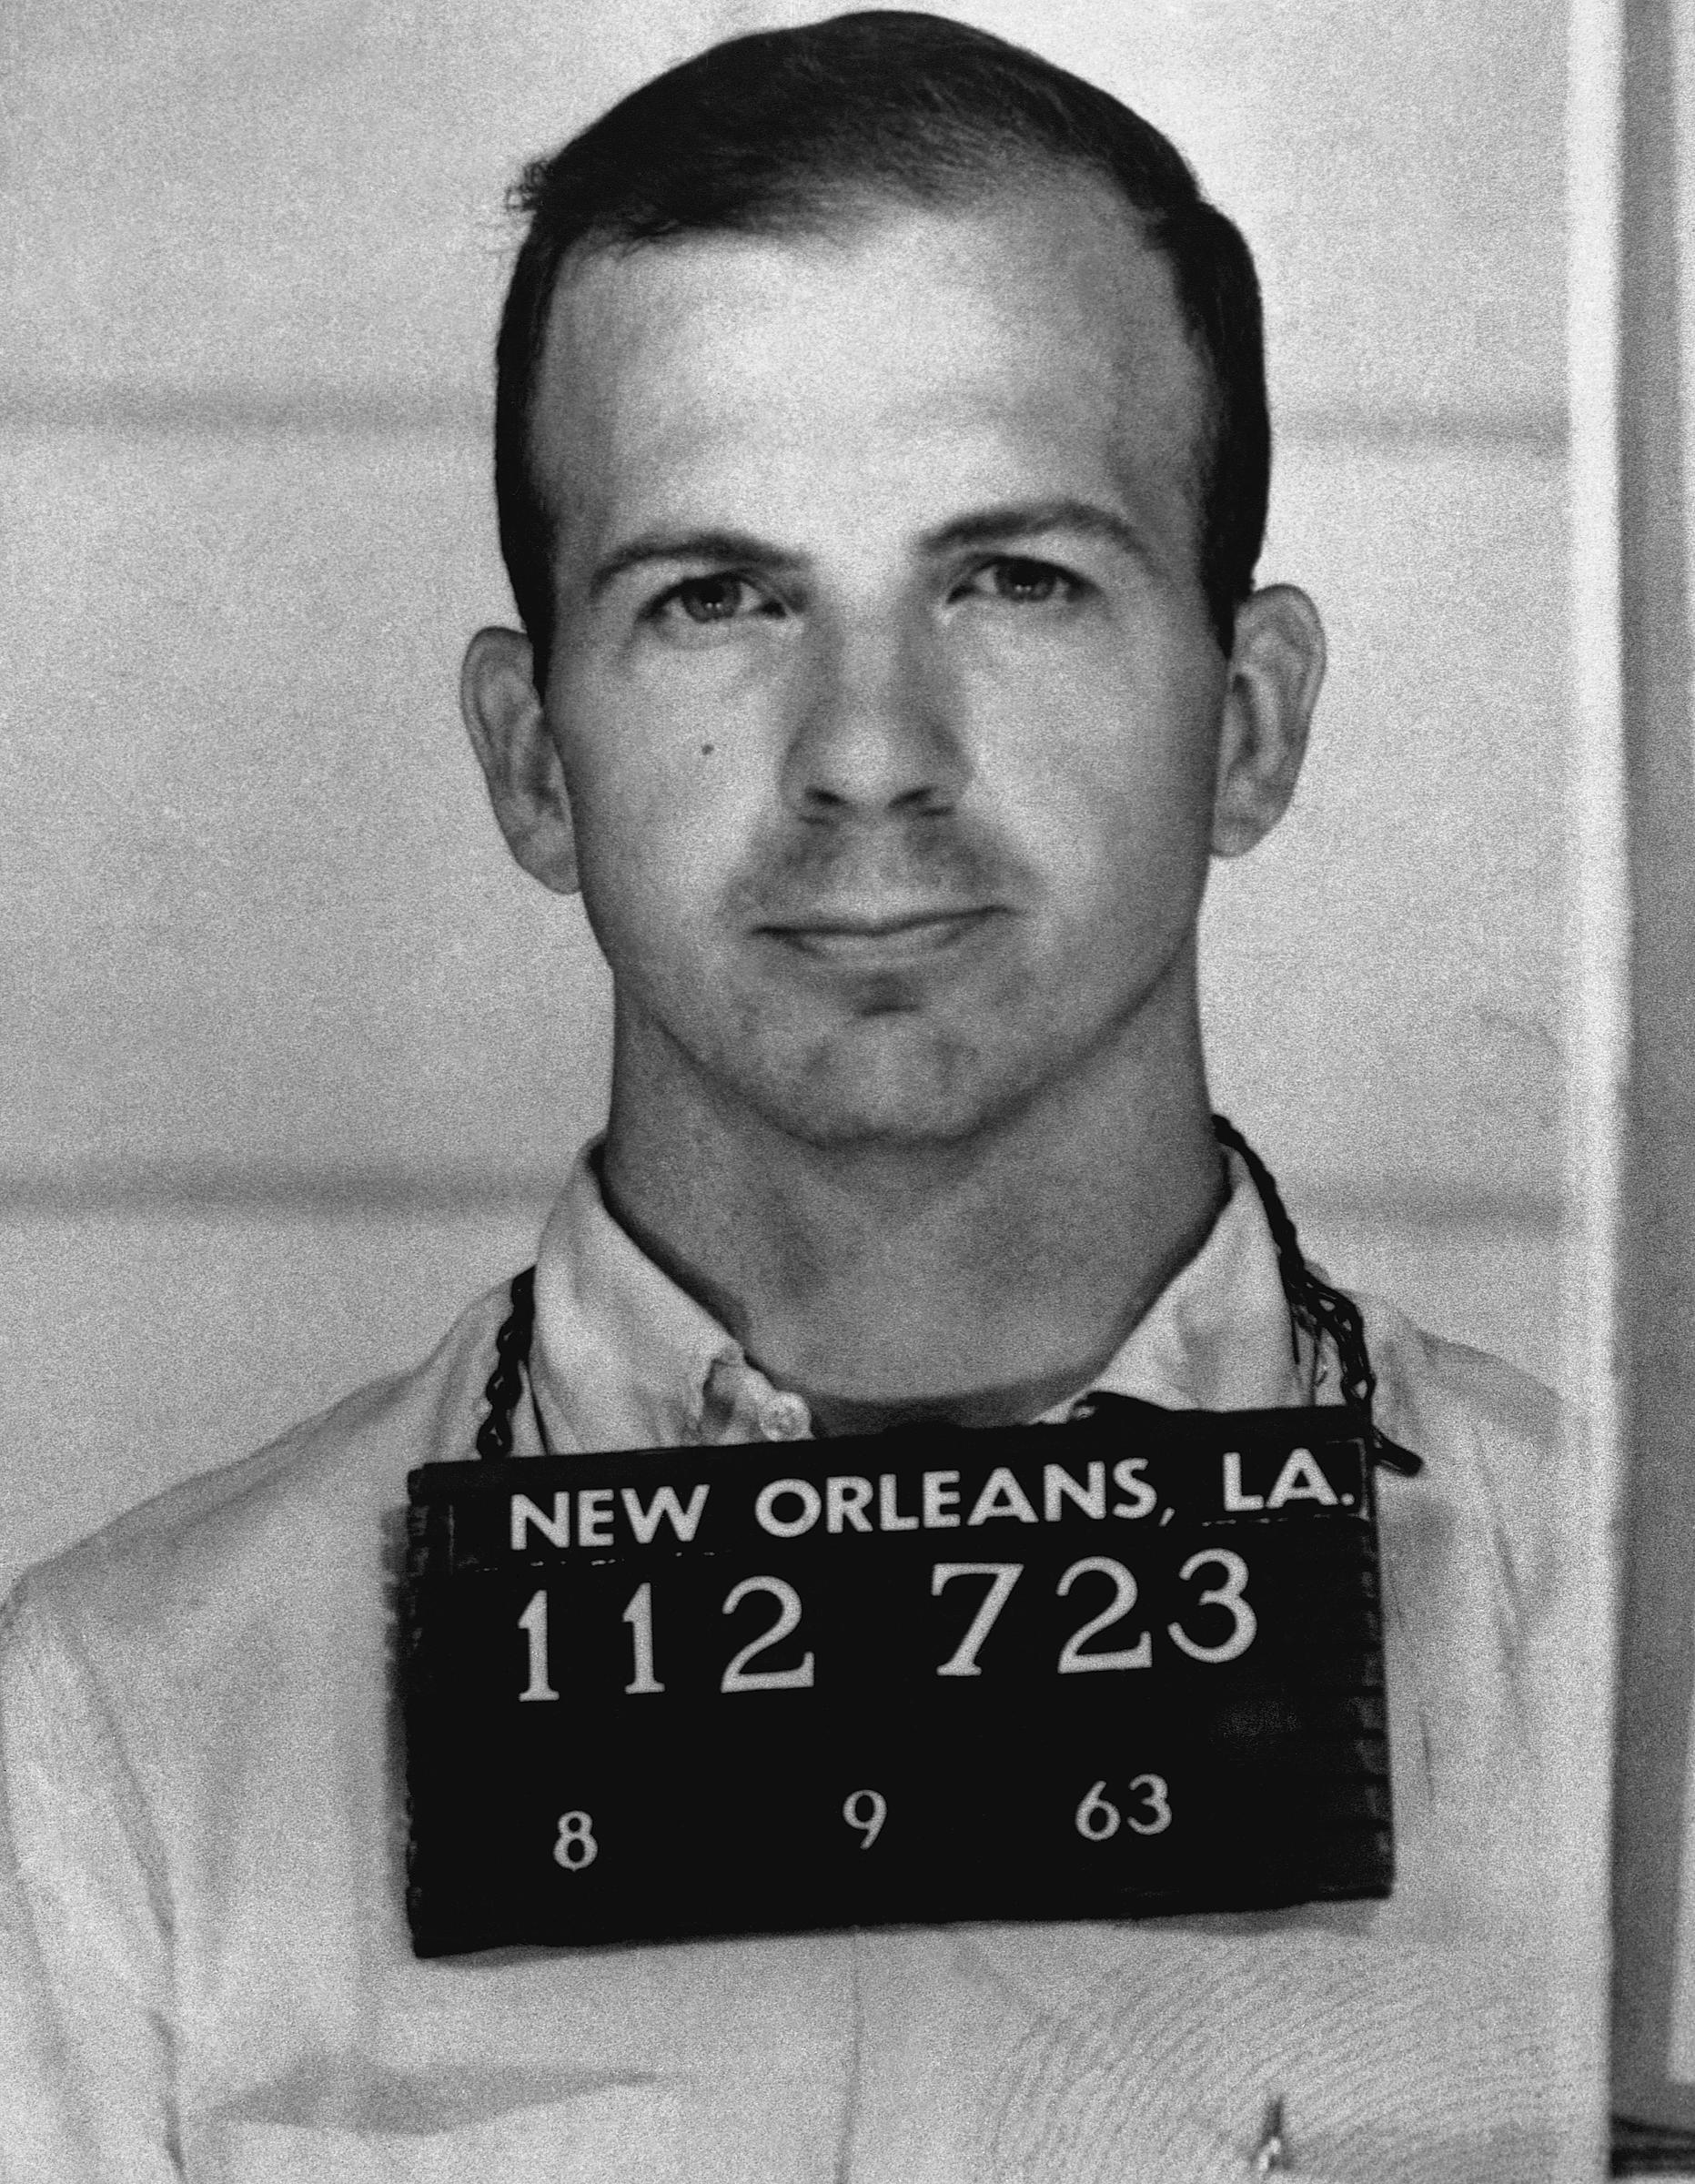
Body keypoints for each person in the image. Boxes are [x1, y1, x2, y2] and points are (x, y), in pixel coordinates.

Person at [0, 12, 1593, 2179]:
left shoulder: (1623, 1663)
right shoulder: (124, 1753)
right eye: (718, 595)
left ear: (1248, 720)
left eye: (1011, 578)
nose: (866, 749)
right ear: (530, 759)